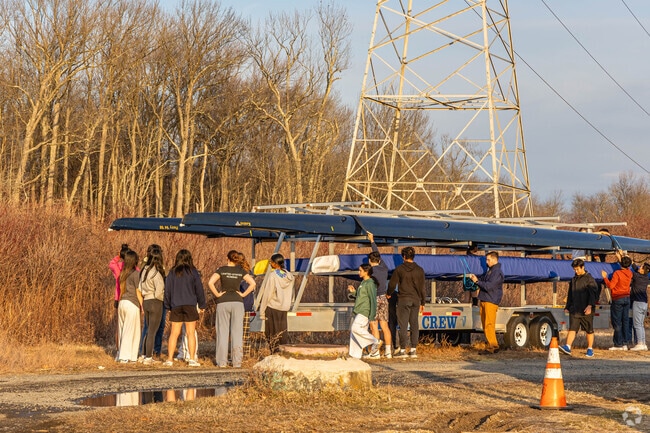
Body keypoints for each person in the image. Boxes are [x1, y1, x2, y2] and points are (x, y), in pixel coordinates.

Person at [208, 250, 256, 368]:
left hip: (223, 302)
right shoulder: (240, 270)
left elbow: (210, 283)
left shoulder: (221, 269)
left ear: (227, 258)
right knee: (237, 333)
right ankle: (237, 362)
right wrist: (243, 295)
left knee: (222, 333)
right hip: (237, 302)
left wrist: (217, 294)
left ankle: (222, 362)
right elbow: (253, 284)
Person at [163, 249, 206, 367]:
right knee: (190, 333)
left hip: (176, 305)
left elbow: (167, 290)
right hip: (190, 305)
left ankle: (170, 359)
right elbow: (199, 289)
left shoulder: (172, 272)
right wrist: (202, 304)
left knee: (174, 333)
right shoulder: (193, 272)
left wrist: (168, 305)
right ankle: (192, 359)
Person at [387, 246, 426, 358]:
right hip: (416, 300)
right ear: (413, 256)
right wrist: (423, 302)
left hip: (403, 299)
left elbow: (392, 284)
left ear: (403, 256)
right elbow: (423, 288)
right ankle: (413, 350)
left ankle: (402, 350)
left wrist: (389, 293)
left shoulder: (399, 269)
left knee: (403, 325)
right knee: (414, 324)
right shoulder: (420, 270)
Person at [559, 259, 598, 357]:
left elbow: (593, 294)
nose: (576, 271)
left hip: (586, 309)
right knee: (572, 328)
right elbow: (570, 294)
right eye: (574, 269)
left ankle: (590, 349)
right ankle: (567, 346)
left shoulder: (589, 279)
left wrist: (590, 306)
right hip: (575, 309)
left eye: (577, 269)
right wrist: (567, 306)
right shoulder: (573, 280)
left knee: (589, 329)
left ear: (582, 267)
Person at [259, 253, 296, 354]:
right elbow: (292, 293)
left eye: (271, 262)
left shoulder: (273, 276)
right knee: (282, 332)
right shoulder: (290, 276)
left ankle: (274, 353)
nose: (270, 263)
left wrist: (262, 310)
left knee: (271, 333)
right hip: (284, 307)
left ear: (275, 264)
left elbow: (268, 293)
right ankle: (283, 352)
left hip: (273, 307)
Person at [469, 251, 504, 354]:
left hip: (490, 300)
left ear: (494, 259)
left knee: (489, 324)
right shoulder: (490, 271)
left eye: (488, 260)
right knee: (485, 324)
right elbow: (483, 281)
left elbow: (489, 286)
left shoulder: (497, 272)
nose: (486, 262)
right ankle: (491, 345)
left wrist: (477, 281)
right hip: (485, 299)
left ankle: (493, 346)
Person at [367, 232, 392, 358]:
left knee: (373, 326)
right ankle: (388, 352)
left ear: (370, 261)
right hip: (383, 298)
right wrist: (372, 241)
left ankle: (375, 351)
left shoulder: (370, 272)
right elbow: (378, 254)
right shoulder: (384, 268)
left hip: (374, 299)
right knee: (384, 326)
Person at [347, 263, 381, 359]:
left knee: (355, 328)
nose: (359, 272)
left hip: (365, 311)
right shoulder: (364, 282)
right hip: (360, 310)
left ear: (366, 272)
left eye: (360, 270)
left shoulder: (370, 283)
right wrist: (353, 292)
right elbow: (360, 296)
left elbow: (373, 299)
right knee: (354, 333)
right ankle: (355, 355)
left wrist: (372, 315)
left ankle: (375, 341)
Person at [139, 246, 165, 365]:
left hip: (146, 301)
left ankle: (143, 354)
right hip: (155, 302)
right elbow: (159, 292)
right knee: (153, 331)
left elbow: (139, 287)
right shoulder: (156, 273)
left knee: (148, 329)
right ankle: (149, 357)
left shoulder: (144, 271)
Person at [601, 255, 632, 350]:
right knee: (625, 321)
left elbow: (611, 285)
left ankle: (618, 344)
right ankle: (625, 343)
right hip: (627, 298)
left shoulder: (617, 273)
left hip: (618, 298)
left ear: (620, 264)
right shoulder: (630, 273)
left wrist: (605, 277)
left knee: (617, 321)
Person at [116, 249, 142, 363]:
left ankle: (123, 354)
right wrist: (142, 305)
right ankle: (126, 356)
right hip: (132, 303)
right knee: (132, 330)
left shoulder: (122, 273)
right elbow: (138, 291)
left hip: (122, 302)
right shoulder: (136, 274)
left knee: (122, 329)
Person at [109, 243, 130, 354]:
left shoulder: (118, 268)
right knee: (129, 325)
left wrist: (118, 256)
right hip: (130, 298)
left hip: (118, 297)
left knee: (119, 325)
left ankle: (118, 349)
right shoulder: (132, 269)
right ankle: (126, 348)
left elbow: (111, 264)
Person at [238, 252, 256, 358]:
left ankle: (239, 353)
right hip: (247, 304)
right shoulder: (249, 272)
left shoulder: (240, 273)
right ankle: (246, 353)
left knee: (238, 331)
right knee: (245, 331)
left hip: (240, 303)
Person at [628, 262, 649, 351]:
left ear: (643, 270)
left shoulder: (636, 276)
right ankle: (643, 343)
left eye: (641, 267)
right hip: (644, 303)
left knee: (637, 324)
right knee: (640, 324)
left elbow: (632, 269)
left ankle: (640, 343)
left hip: (637, 302)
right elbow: (635, 267)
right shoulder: (646, 277)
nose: (639, 267)